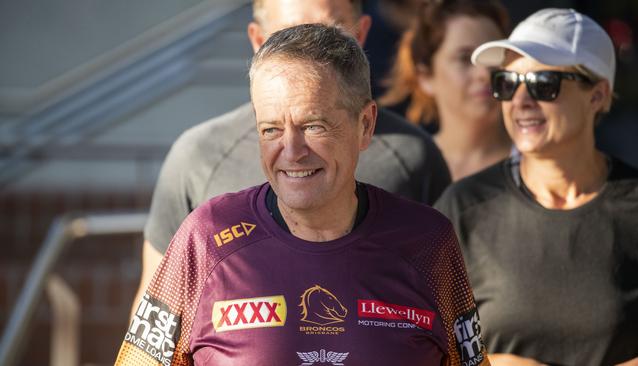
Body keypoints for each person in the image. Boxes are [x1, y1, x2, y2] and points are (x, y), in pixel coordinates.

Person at [115, 24, 488, 365]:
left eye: (313, 126)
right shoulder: (206, 238)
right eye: (271, 130)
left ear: (366, 124)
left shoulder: (429, 243)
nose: (291, 152)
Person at [131, 0, 451, 317]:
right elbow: (155, 322)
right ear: (258, 41)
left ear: (362, 32)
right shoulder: (198, 157)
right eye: (290, 34)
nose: (311, 49)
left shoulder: (412, 158)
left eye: (332, 32)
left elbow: (453, 320)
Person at [435, 8, 638, 366]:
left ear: (597, 95)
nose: (520, 101)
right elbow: (413, 339)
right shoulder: (464, 208)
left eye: (543, 84)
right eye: (506, 83)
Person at [379, 0, 512, 181]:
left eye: (494, 56)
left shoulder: (537, 161)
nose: (485, 73)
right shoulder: (405, 169)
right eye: (465, 58)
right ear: (425, 76)